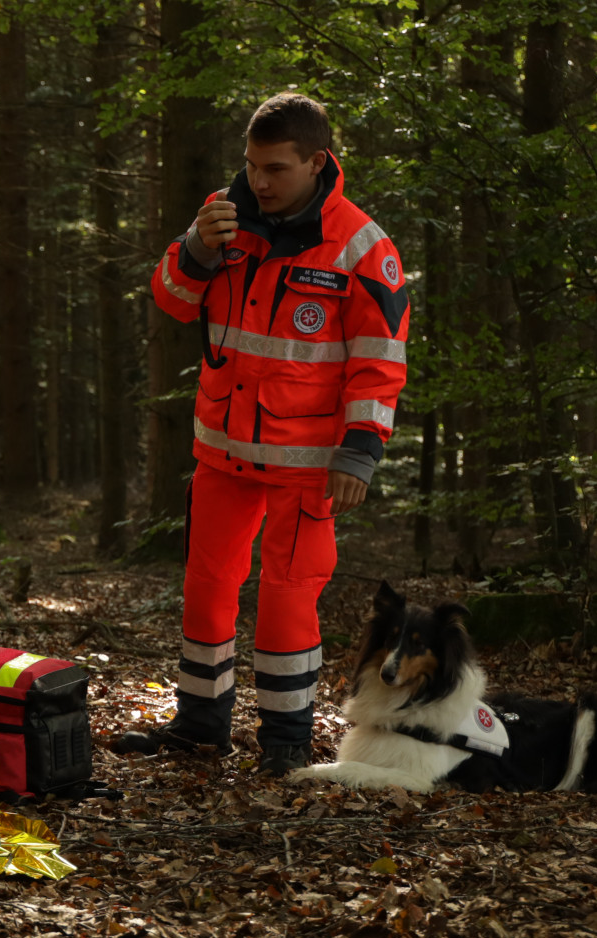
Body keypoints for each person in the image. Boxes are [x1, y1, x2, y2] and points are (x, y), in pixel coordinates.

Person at [118, 93, 409, 775]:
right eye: (251, 166)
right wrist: (194, 250)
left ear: (316, 161)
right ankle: (198, 728)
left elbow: (379, 361)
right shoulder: (224, 220)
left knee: (286, 598)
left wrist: (361, 451)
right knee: (207, 586)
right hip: (222, 454)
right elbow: (168, 297)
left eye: (275, 168)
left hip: (307, 466)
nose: (259, 182)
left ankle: (283, 745)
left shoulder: (363, 247)